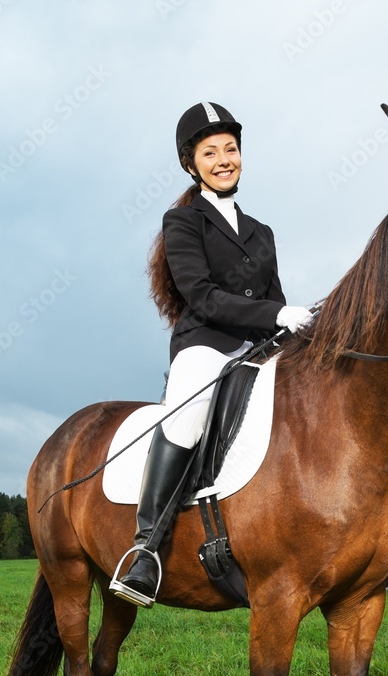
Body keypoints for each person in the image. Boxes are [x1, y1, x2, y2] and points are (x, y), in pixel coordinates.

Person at [110, 101, 314, 608]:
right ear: (191, 163)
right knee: (186, 413)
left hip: (259, 347)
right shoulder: (182, 221)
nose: (224, 159)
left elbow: (274, 296)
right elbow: (200, 296)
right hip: (205, 344)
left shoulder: (260, 231)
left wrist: (295, 330)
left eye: (231, 149)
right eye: (210, 152)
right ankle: (146, 548)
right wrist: (276, 314)